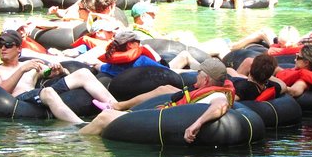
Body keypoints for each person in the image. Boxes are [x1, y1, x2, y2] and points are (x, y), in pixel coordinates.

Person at [81, 58, 235, 144]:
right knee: (165, 88)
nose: (196, 75)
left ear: (206, 78)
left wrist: (197, 123)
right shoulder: (214, 88)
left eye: (198, 72)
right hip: (162, 112)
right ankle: (116, 107)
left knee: (104, 117)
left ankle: (77, 142)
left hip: (157, 122)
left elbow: (220, 105)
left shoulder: (216, 96)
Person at [0, 30, 116, 123]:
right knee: (47, 91)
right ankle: (80, 124)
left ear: (18, 48)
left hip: (37, 96)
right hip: (19, 102)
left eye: (7, 45)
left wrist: (60, 71)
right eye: (0, 46)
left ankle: (118, 107)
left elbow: (51, 72)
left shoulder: (31, 65)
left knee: (83, 73)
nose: (3, 49)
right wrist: (21, 70)